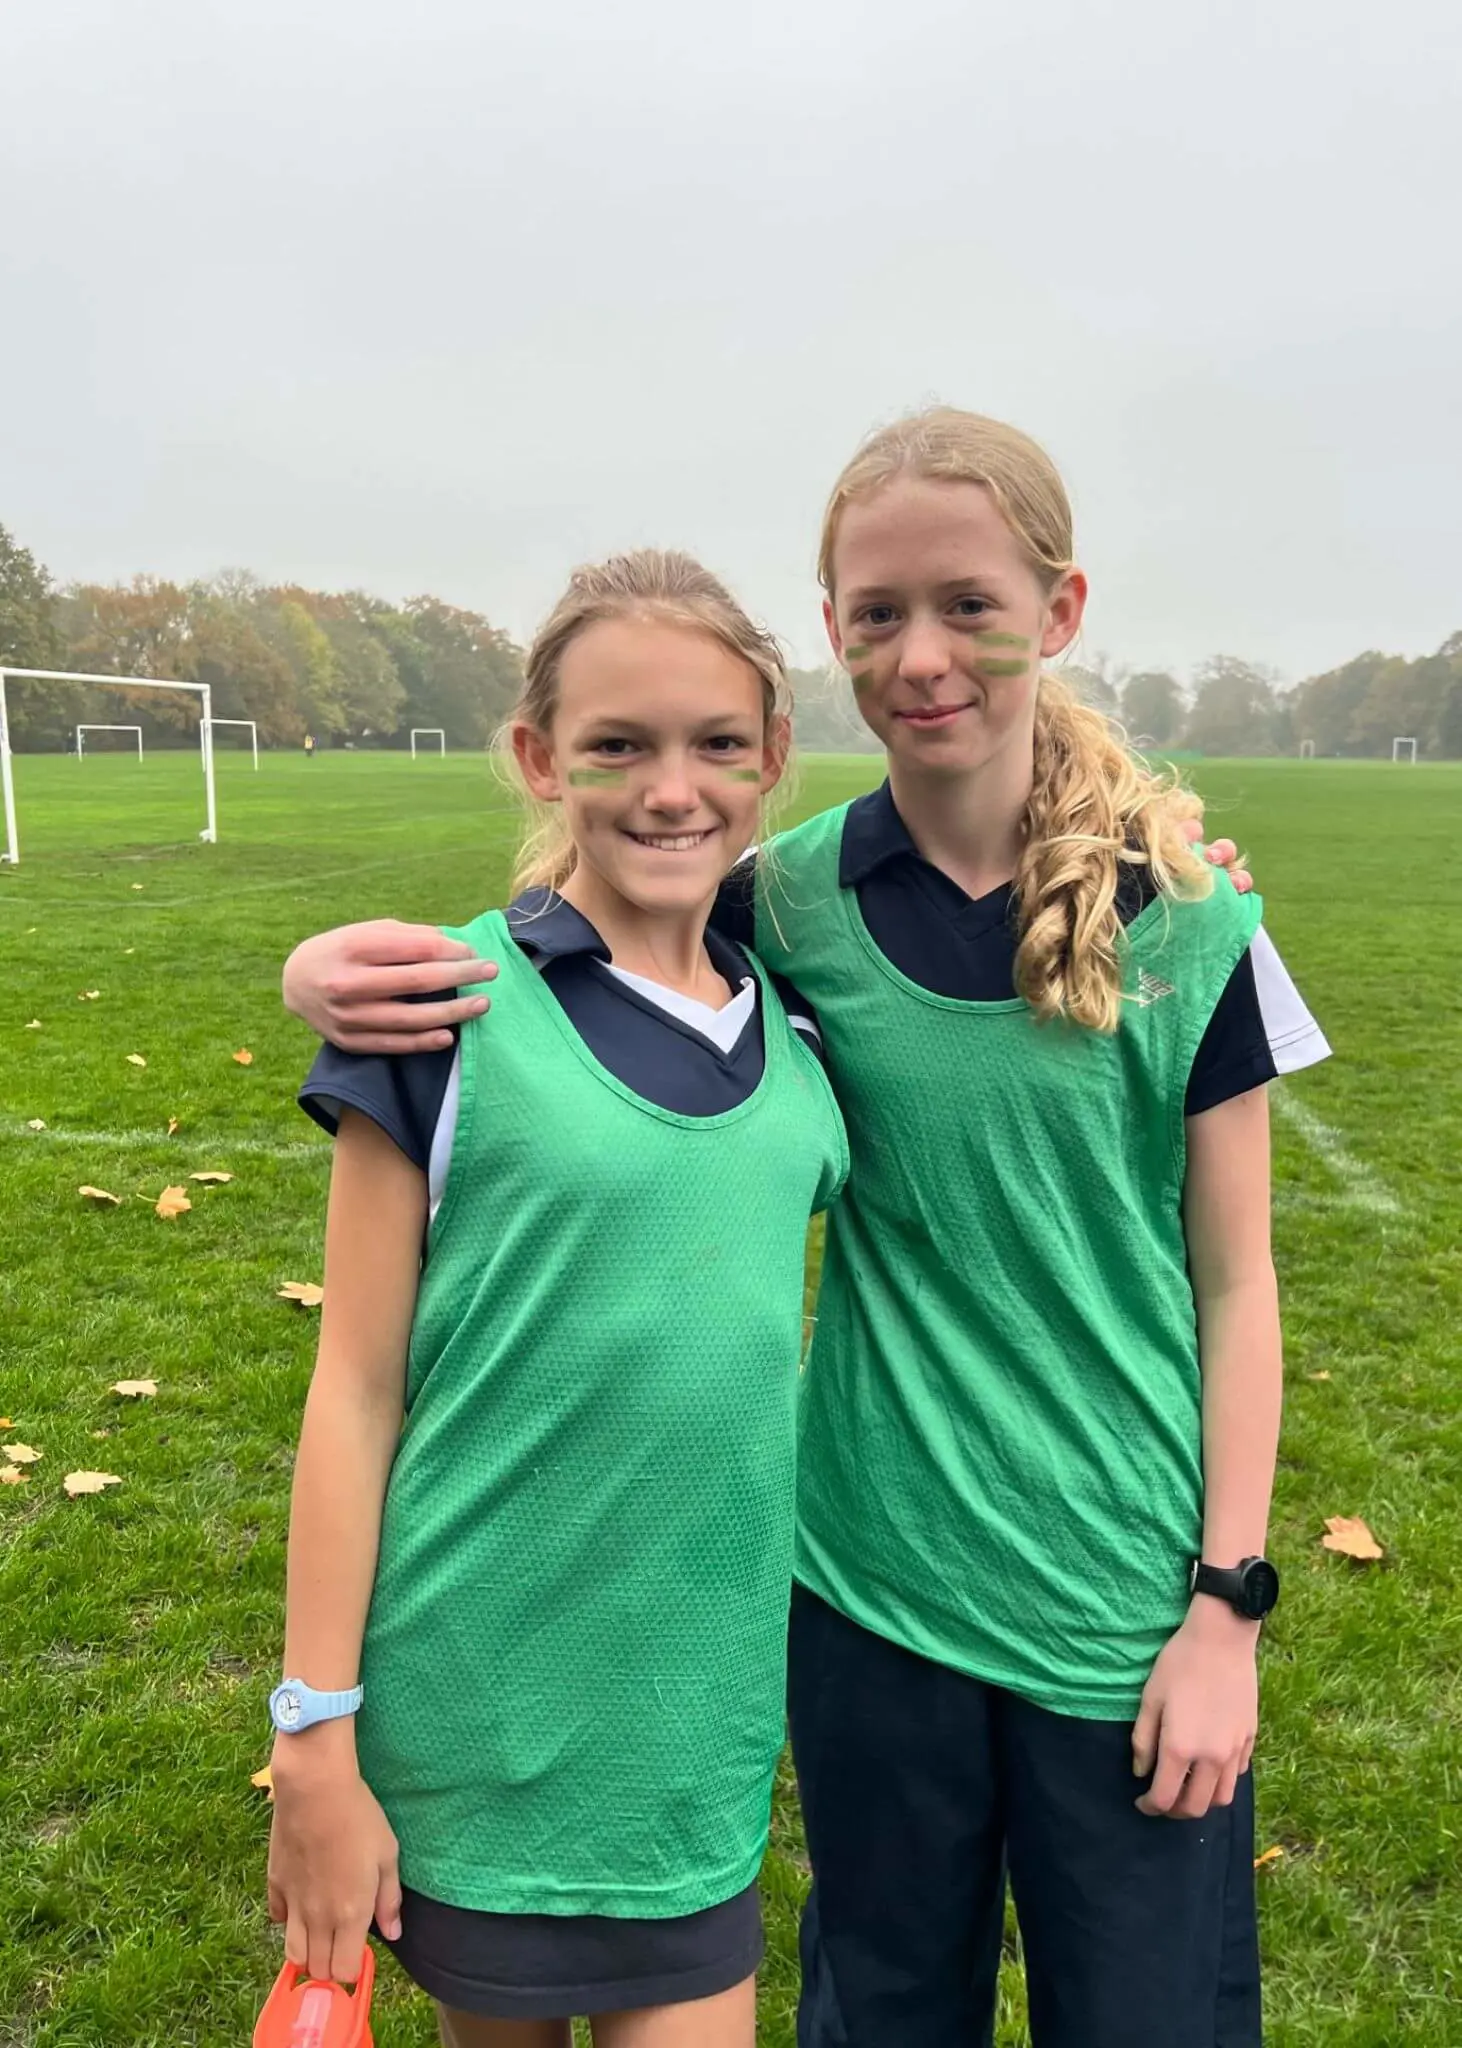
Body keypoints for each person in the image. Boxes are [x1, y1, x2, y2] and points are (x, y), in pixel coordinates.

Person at [282, 409, 1329, 2047]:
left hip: (1120, 1615)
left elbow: (1237, 1283)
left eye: (968, 606)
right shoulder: (794, 904)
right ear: (831, 638)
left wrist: (1225, 1605)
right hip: (868, 1599)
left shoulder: (1192, 917)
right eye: (875, 615)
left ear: (1055, 613)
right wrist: (320, 982)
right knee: (880, 2011)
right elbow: (603, 942)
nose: (922, 656)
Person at [266, 550, 846, 2048]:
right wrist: (314, 1737)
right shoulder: (438, 1009)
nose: (673, 789)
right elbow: (355, 1390)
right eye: (618, 746)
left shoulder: (799, 1021)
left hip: (692, 1747)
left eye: (718, 744)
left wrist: (1175, 860)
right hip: (478, 1716)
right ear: (538, 757)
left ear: (772, 758)